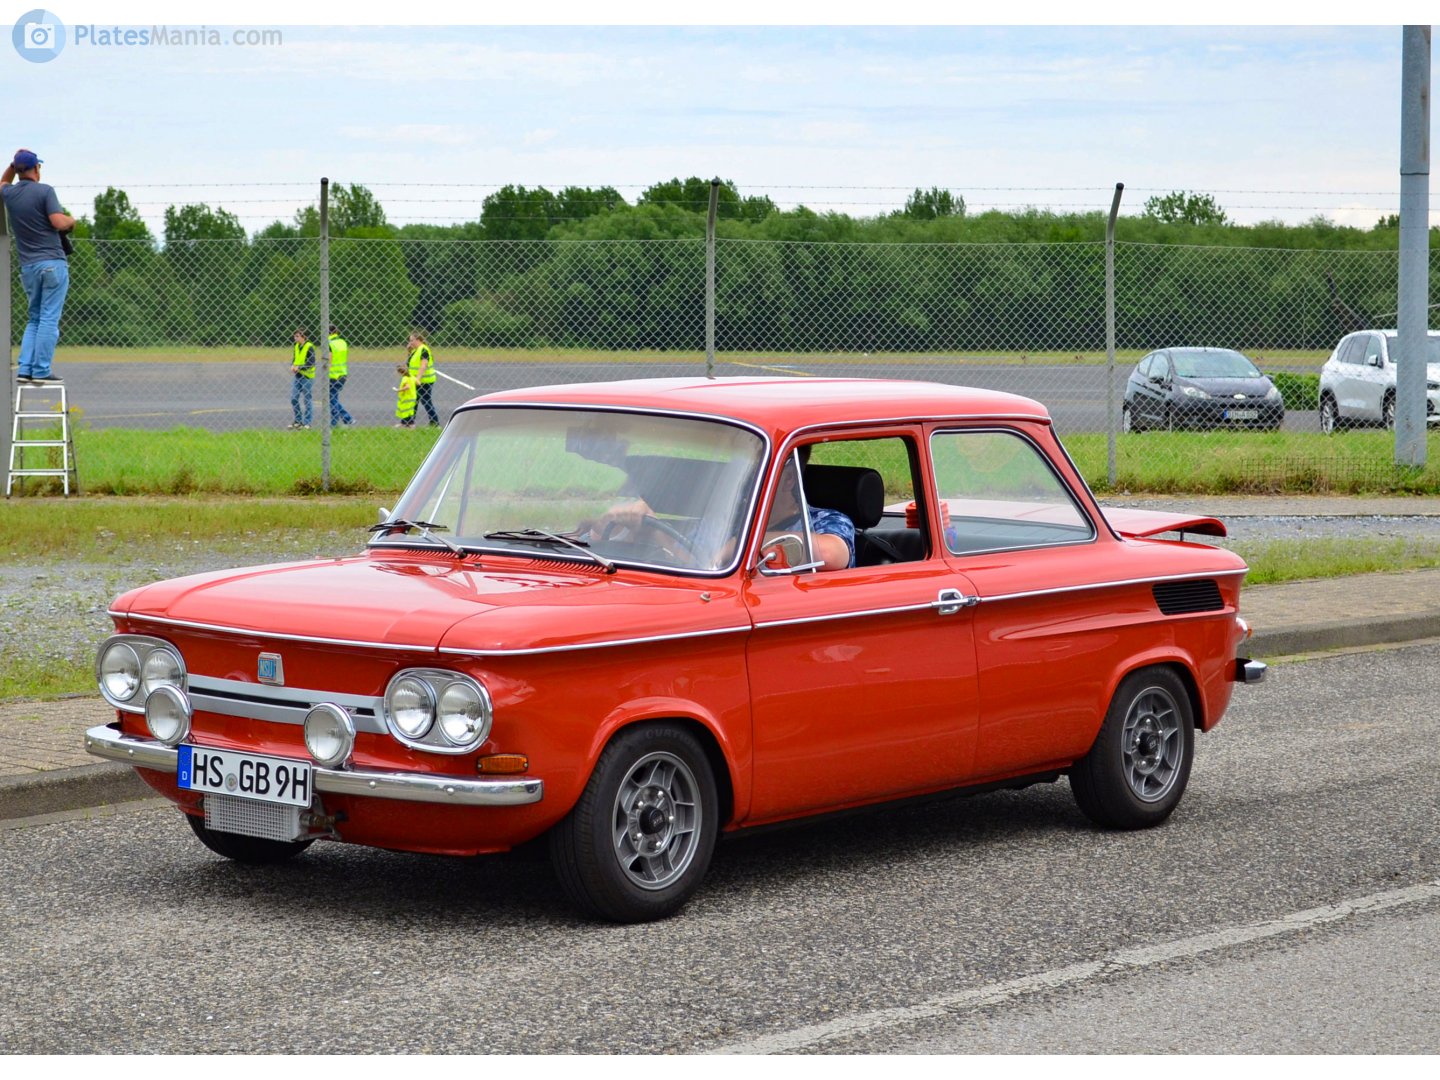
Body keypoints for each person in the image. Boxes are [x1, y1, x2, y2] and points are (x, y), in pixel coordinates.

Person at [2, 149, 75, 385]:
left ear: (17, 169)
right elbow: (57, 221)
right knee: (48, 319)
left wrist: (13, 165)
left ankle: (25, 369)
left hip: (29, 267)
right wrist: (71, 221)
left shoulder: (10, 194)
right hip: (52, 263)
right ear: (36, 169)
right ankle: (42, 370)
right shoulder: (45, 191)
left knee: (34, 319)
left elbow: (3, 181)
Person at [760, 448, 855, 570]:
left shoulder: (826, 521)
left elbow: (829, 554)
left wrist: (739, 545)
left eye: (750, 472)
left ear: (788, 478)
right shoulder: (736, 522)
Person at [406, 331, 440, 426]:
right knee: (414, 401)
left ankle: (435, 422)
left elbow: (423, 365)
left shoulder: (424, 350)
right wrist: (408, 351)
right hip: (416, 380)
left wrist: (418, 378)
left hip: (424, 381)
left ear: (418, 340)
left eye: (412, 340)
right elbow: (410, 364)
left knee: (426, 401)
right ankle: (410, 422)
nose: (410, 342)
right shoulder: (415, 350)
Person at [327, 324, 353, 427]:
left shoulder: (329, 343)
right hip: (343, 373)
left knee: (332, 399)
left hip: (333, 374)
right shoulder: (343, 342)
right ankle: (345, 419)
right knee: (334, 398)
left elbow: (329, 359)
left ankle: (342, 419)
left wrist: (326, 370)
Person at [290, 328, 315, 429]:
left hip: (307, 377)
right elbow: (295, 358)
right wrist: (292, 365)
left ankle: (307, 422)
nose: (295, 338)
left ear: (303, 337)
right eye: (294, 336)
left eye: (297, 336)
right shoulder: (296, 346)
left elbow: (311, 362)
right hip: (298, 376)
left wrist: (299, 367)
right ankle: (298, 420)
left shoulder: (309, 347)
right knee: (294, 398)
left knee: (307, 400)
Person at [394, 363, 417, 427]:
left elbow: (407, 387)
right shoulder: (412, 376)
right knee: (408, 411)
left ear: (400, 372)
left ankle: (411, 424)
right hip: (413, 397)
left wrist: (398, 390)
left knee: (406, 411)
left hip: (407, 398)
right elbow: (418, 382)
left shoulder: (405, 378)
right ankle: (403, 422)